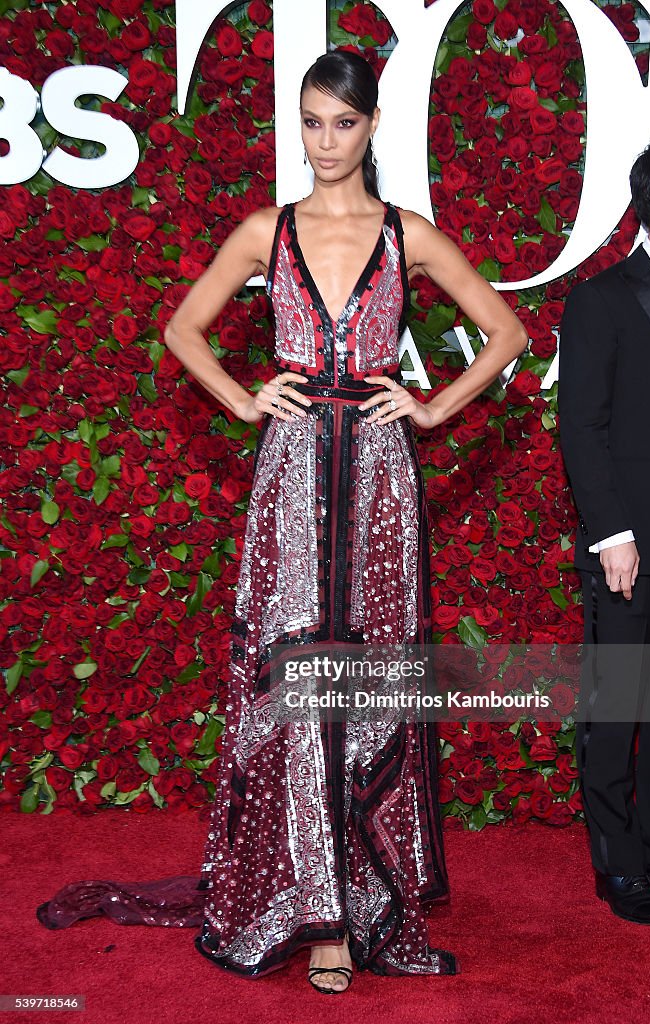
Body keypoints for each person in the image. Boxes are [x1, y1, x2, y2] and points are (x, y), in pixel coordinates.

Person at [37, 50, 526, 992]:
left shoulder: (406, 233)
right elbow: (184, 328)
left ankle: (368, 897)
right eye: (311, 121)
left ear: (372, 127)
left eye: (343, 123)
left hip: (381, 475)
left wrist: (428, 407)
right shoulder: (266, 229)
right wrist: (240, 400)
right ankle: (321, 916)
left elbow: (505, 331)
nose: (326, 140)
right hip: (295, 471)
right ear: (295, 127)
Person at [559, 124, 650, 927]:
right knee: (619, 708)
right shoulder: (602, 297)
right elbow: (581, 427)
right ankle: (618, 866)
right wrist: (612, 535)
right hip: (632, 543)